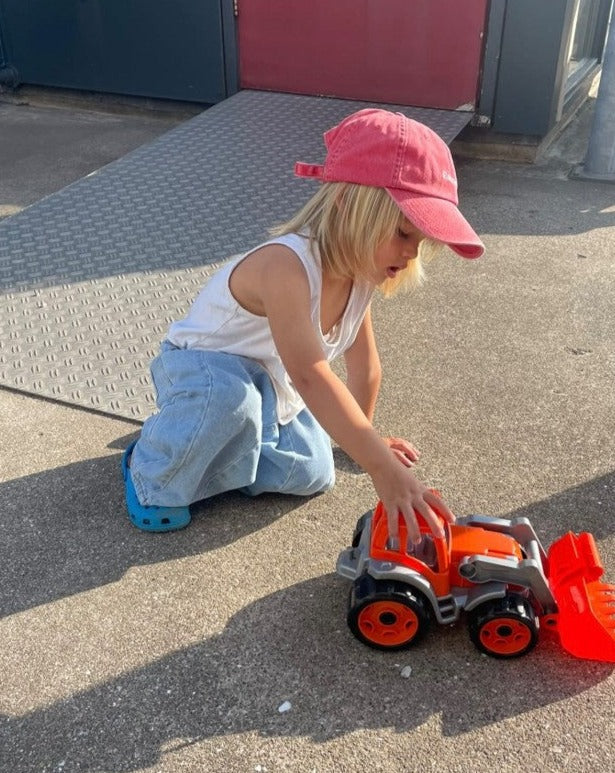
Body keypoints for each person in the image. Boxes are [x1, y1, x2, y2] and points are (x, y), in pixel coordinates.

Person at [122, 108, 484, 544]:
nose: (411, 253)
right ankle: (152, 462)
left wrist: (363, 440)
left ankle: (204, 446)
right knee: (230, 401)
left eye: (421, 242)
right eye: (403, 234)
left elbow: (366, 367)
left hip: (269, 389)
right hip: (201, 372)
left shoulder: (359, 277)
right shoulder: (286, 266)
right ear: (348, 206)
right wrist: (379, 467)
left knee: (313, 471)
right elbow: (311, 375)